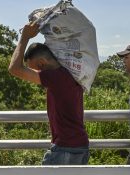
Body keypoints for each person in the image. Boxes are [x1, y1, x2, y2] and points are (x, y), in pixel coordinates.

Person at [9, 23, 89, 165]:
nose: (35, 74)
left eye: (35, 69)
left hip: (66, 149)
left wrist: (24, 38)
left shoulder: (56, 77)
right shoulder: (71, 73)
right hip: (79, 146)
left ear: (42, 63)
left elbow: (15, 69)